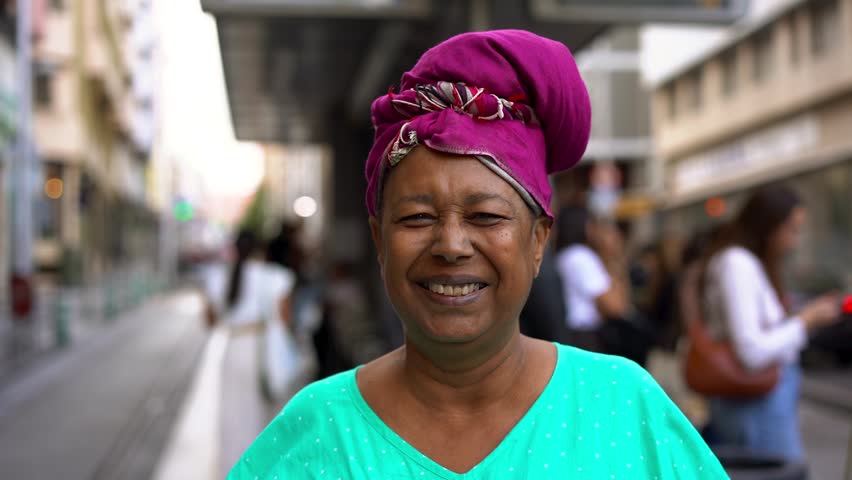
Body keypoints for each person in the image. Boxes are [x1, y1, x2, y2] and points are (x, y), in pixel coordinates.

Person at [228, 30, 725, 478]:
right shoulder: (317, 431)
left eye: (485, 217)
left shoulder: (623, 407)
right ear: (379, 242)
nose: (450, 245)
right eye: (418, 218)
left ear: (537, 242)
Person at [700, 184, 842, 461]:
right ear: (768, 224)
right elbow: (751, 352)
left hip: (758, 399)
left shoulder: (745, 262)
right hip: (753, 401)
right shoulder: (737, 263)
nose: (795, 240)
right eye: (792, 229)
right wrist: (806, 321)